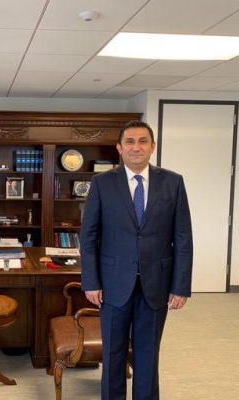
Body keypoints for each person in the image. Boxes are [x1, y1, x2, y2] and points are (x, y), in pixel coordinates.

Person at [80, 120, 193, 400]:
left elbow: (183, 238)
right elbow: (89, 236)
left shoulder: (173, 182)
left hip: (156, 285)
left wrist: (180, 286)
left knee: (148, 355)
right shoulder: (102, 183)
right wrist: (91, 282)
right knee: (113, 355)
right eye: (129, 141)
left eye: (143, 141)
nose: (136, 147)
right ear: (119, 148)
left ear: (153, 146)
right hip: (112, 284)